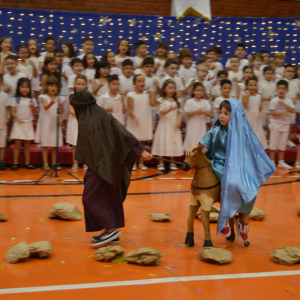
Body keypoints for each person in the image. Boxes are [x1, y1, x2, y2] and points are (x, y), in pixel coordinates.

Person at [69, 89, 153, 246]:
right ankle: (112, 233)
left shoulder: (88, 119)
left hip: (102, 166)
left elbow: (119, 133)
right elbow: (121, 131)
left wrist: (140, 151)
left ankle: (110, 229)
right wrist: (140, 150)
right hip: (111, 164)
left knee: (89, 198)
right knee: (108, 198)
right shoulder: (100, 113)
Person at [186, 100, 276, 245]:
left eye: (226, 113)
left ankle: (242, 221)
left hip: (238, 167)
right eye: (220, 112)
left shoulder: (243, 132)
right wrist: (193, 145)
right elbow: (203, 149)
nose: (221, 116)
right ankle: (225, 216)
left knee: (251, 188)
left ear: (235, 116)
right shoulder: (214, 131)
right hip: (218, 165)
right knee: (231, 182)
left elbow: (251, 153)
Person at [126, 74, 156, 170]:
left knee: (142, 143)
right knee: (135, 144)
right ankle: (133, 163)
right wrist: (134, 117)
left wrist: (153, 93)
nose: (142, 83)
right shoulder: (131, 95)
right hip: (135, 123)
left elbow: (153, 104)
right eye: (139, 81)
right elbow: (129, 110)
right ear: (134, 84)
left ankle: (141, 163)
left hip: (144, 121)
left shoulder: (147, 95)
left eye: (143, 81)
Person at [152, 79, 183, 170]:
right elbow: (161, 112)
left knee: (172, 142)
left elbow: (180, 112)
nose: (172, 90)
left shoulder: (177, 100)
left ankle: (172, 162)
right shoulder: (161, 100)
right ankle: (160, 162)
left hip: (173, 125)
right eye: (170, 88)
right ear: (164, 89)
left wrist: (178, 121)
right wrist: (169, 109)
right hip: (164, 124)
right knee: (162, 141)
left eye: (173, 88)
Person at [35, 77, 65, 171]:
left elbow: (63, 112)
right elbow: (46, 107)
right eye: (52, 86)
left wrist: (61, 120)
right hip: (45, 124)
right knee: (45, 145)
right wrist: (51, 103)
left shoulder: (60, 99)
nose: (54, 88)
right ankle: (45, 164)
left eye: (55, 86)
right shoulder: (43, 97)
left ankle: (54, 163)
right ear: (47, 87)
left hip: (54, 124)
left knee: (54, 146)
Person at [10, 78, 38, 170]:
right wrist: (17, 118)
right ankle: (15, 163)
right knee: (17, 145)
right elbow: (12, 112)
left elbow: (35, 113)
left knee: (27, 145)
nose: (25, 89)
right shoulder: (16, 99)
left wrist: (33, 107)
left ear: (30, 88)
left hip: (28, 124)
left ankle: (27, 163)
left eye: (27, 87)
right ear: (18, 88)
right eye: (22, 87)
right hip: (18, 124)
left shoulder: (32, 99)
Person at [269, 80, 295, 169]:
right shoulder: (273, 100)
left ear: (287, 91)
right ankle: (271, 162)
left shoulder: (288, 101)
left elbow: (293, 110)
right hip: (275, 125)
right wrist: (283, 113)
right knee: (273, 145)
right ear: (276, 90)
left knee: (282, 145)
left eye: (284, 89)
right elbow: (272, 113)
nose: (281, 90)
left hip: (285, 126)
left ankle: (281, 162)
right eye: (279, 88)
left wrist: (284, 104)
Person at [67, 75, 88, 173]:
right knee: (75, 145)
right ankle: (75, 163)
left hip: (85, 122)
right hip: (75, 122)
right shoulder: (72, 95)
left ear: (86, 85)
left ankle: (86, 163)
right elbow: (70, 110)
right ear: (75, 85)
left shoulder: (88, 95)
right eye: (78, 84)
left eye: (82, 84)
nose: (80, 86)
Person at [183, 82, 211, 150]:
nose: (200, 92)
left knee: (201, 141)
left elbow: (209, 114)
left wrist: (203, 112)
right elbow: (187, 114)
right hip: (192, 124)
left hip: (201, 125)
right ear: (193, 91)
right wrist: (196, 111)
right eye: (197, 90)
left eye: (201, 90)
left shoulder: (205, 102)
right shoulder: (189, 102)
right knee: (192, 141)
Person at [242, 77, 268, 149]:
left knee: (257, 138)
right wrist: (248, 96)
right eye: (251, 85)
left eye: (255, 85)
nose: (253, 87)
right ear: (247, 86)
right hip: (248, 119)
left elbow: (261, 109)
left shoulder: (259, 96)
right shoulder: (244, 95)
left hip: (256, 120)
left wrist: (262, 113)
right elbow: (246, 106)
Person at [258, 66, 276, 138]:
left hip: (272, 109)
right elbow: (258, 97)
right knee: (261, 125)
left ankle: (269, 139)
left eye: (271, 73)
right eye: (267, 73)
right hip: (263, 108)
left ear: (274, 74)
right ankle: (261, 140)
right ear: (264, 74)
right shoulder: (261, 84)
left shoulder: (275, 84)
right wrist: (266, 99)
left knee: (270, 126)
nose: (269, 75)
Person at [283, 64, 298, 148]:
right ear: (284, 72)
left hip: (292, 106)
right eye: (288, 71)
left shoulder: (295, 82)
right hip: (283, 106)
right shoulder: (282, 82)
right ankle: (281, 140)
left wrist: (295, 99)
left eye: (292, 71)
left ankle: (288, 140)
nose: (290, 73)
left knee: (289, 124)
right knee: (282, 123)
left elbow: (297, 93)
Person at [0, 74, 10, 170]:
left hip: (2, 123)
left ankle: (1, 161)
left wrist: (8, 116)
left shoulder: (5, 96)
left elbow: (7, 108)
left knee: (2, 144)